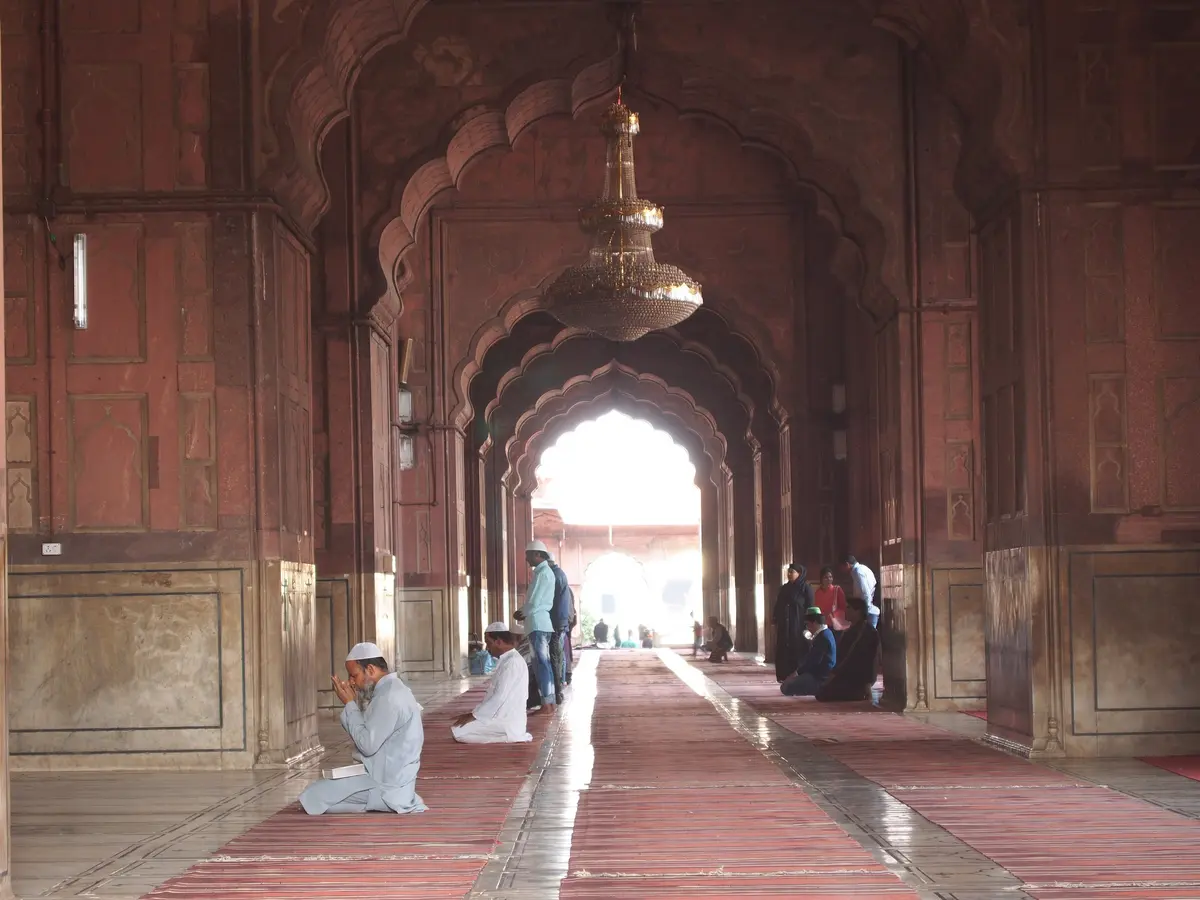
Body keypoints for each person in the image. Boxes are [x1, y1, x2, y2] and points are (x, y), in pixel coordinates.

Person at [299, 642, 426, 816]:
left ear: (371, 670)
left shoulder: (389, 697)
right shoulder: (391, 690)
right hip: (387, 776)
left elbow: (367, 744)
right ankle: (383, 803)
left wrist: (350, 704)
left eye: (354, 675)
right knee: (317, 793)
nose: (351, 681)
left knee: (312, 795)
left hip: (385, 783)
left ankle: (384, 804)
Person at [451, 622, 532, 744]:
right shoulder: (508, 659)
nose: (487, 648)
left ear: (499, 641)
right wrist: (475, 714)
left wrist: (474, 716)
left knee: (459, 732)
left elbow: (499, 697)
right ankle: (511, 735)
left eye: (489, 643)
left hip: (507, 719)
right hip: (501, 715)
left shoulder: (512, 662)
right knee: (458, 728)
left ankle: (512, 736)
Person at [513, 540, 557, 713]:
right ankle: (549, 702)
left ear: (538, 554)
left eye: (528, 555)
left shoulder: (543, 573)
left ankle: (546, 704)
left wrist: (521, 613)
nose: (526, 558)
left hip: (538, 623)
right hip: (540, 622)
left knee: (541, 664)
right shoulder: (544, 572)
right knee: (543, 664)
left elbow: (535, 601)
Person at [817, 596, 881, 702]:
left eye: (849, 608)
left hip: (857, 678)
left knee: (824, 693)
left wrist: (867, 685)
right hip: (847, 675)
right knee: (821, 691)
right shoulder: (852, 630)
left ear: (858, 611)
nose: (845, 611)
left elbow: (865, 660)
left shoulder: (866, 632)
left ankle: (859, 692)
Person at [781, 607, 837, 696]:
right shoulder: (825, 633)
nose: (807, 628)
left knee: (786, 687)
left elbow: (813, 662)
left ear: (814, 623)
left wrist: (796, 674)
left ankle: (818, 689)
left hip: (820, 677)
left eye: (807, 624)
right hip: (818, 674)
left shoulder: (823, 637)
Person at [772, 563, 813, 682]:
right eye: (788, 572)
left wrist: (809, 624)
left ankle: (798, 675)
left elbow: (810, 607)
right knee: (783, 648)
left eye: (792, 572)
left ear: (799, 574)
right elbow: (778, 604)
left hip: (799, 624)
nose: (789, 574)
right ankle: (783, 675)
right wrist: (775, 618)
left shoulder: (805, 588)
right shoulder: (784, 588)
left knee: (798, 649)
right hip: (785, 625)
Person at [547, 554, 574, 699]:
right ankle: (560, 685)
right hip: (561, 621)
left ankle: (557, 692)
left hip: (556, 622)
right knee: (559, 655)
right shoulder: (559, 575)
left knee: (555, 656)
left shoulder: (554, 577)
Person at [843, 555, 880, 627]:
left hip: (868, 612)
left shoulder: (858, 572)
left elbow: (865, 594)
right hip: (869, 611)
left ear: (847, 564)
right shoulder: (863, 569)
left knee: (867, 636)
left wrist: (864, 614)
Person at [814, 566, 848, 630]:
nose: (829, 579)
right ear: (821, 579)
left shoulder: (837, 590)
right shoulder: (818, 592)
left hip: (835, 623)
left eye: (830, 577)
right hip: (822, 623)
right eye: (826, 577)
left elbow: (843, 607)